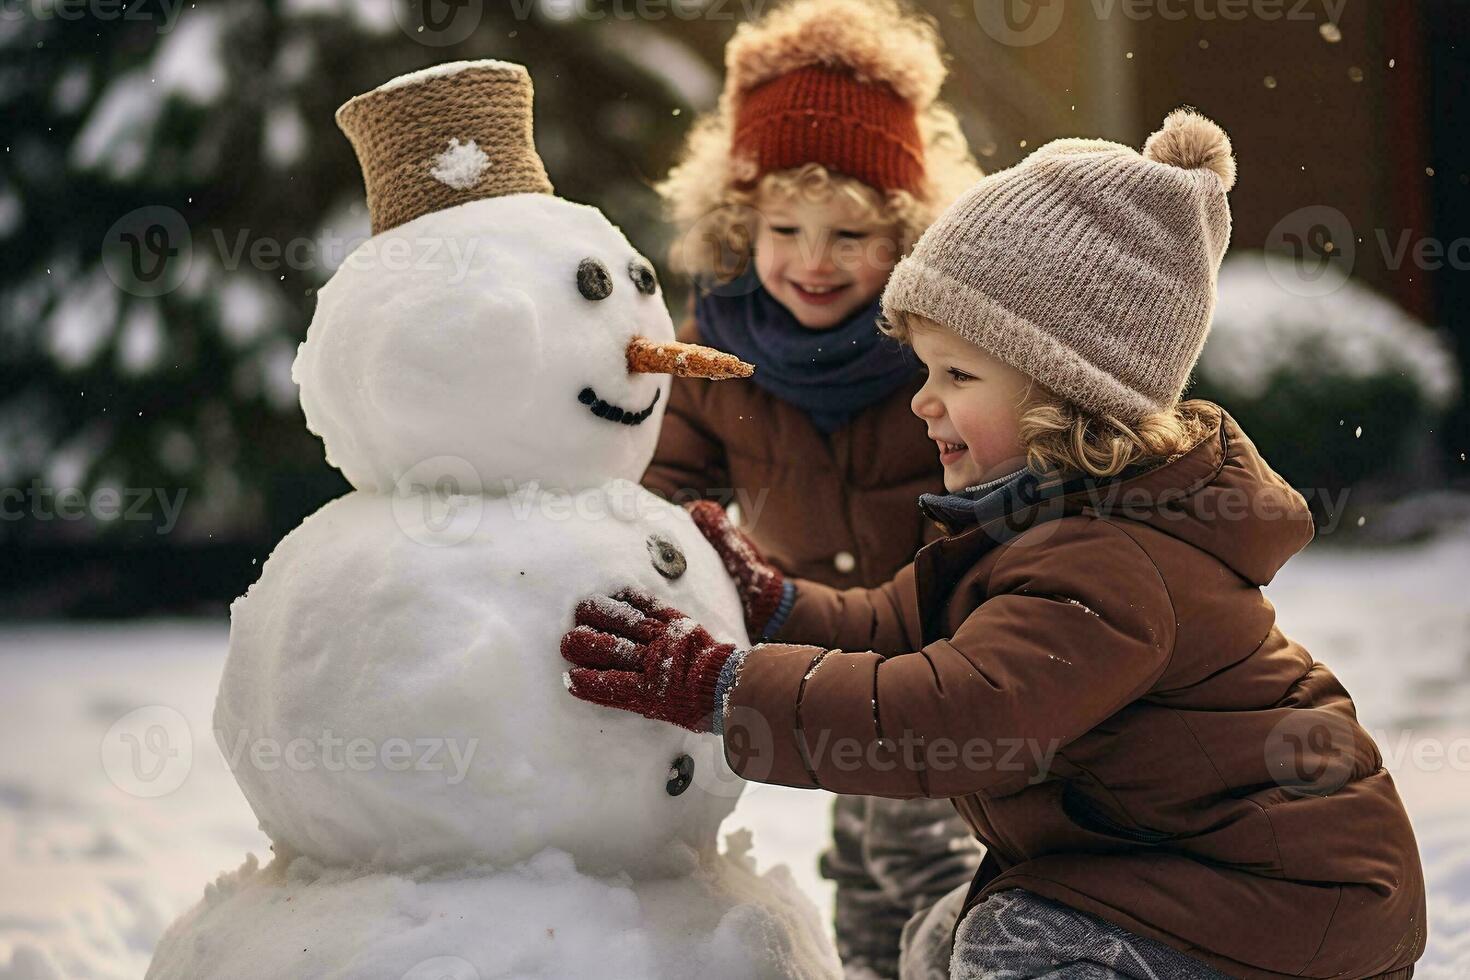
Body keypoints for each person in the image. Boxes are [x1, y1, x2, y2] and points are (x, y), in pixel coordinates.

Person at [566, 108, 1427, 979]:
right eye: (925, 371)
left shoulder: (1115, 563)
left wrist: (725, 687)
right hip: (1180, 878)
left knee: (1010, 941)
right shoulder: (1023, 525)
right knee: (946, 935)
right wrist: (774, 602)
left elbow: (945, 714)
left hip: (1288, 907)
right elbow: (892, 629)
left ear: (1065, 394)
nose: (922, 402)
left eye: (958, 376)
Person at [643, 1, 984, 975]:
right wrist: (659, 538)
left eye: (852, 233)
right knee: (866, 857)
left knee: (916, 839)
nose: (812, 260)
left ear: (910, 232)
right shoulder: (717, 345)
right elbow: (669, 472)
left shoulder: (940, 348)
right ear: (738, 219)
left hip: (939, 642)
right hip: (819, 641)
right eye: (783, 226)